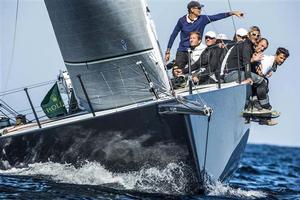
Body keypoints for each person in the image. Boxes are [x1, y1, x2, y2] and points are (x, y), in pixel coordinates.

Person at [165, 1, 244, 69]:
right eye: (198, 8)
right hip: (182, 50)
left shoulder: (203, 19)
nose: (200, 10)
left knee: (199, 67)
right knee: (178, 71)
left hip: (197, 50)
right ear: (192, 10)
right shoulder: (181, 21)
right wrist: (168, 51)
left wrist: (233, 13)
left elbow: (217, 16)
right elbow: (173, 35)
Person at [223, 26, 272, 113]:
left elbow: (249, 64)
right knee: (261, 82)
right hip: (232, 74)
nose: (256, 37)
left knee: (261, 82)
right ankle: (266, 107)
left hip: (235, 73)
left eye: (258, 35)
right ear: (249, 35)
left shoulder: (250, 47)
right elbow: (246, 63)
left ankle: (255, 106)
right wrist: (248, 77)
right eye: (254, 34)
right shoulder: (246, 44)